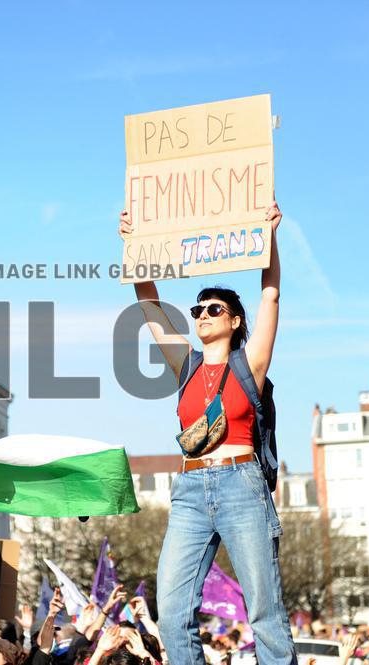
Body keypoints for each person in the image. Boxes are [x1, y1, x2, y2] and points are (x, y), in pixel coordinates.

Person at [119, 200, 295, 665]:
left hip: (242, 484)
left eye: (213, 309)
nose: (201, 315)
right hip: (191, 488)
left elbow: (271, 297)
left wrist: (269, 235)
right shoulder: (187, 366)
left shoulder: (249, 364)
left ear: (235, 321)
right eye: (197, 309)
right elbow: (149, 306)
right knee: (173, 608)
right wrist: (134, 246)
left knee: (264, 610)